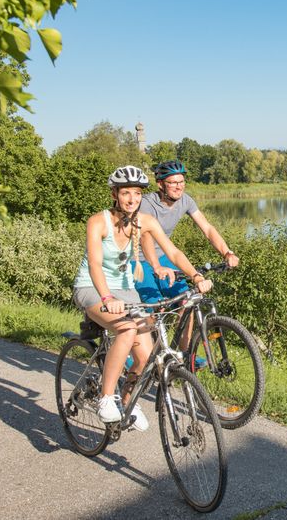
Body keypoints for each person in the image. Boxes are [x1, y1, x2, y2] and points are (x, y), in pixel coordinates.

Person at [72, 165, 212, 431]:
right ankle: (106, 398)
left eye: (136, 194)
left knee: (146, 357)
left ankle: (126, 402)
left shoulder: (144, 221)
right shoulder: (98, 222)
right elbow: (95, 264)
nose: (132, 199)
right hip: (92, 287)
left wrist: (195, 276)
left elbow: (172, 252)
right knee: (126, 329)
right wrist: (106, 296)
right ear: (114, 194)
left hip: (125, 290)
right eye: (126, 193)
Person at [136, 160, 240, 304]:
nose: (179, 187)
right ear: (160, 184)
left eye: (181, 181)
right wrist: (156, 267)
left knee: (188, 300)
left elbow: (208, 228)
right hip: (138, 260)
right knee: (153, 305)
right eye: (173, 183)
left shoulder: (186, 201)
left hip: (164, 255)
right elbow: (145, 237)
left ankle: (184, 326)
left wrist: (227, 252)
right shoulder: (146, 204)